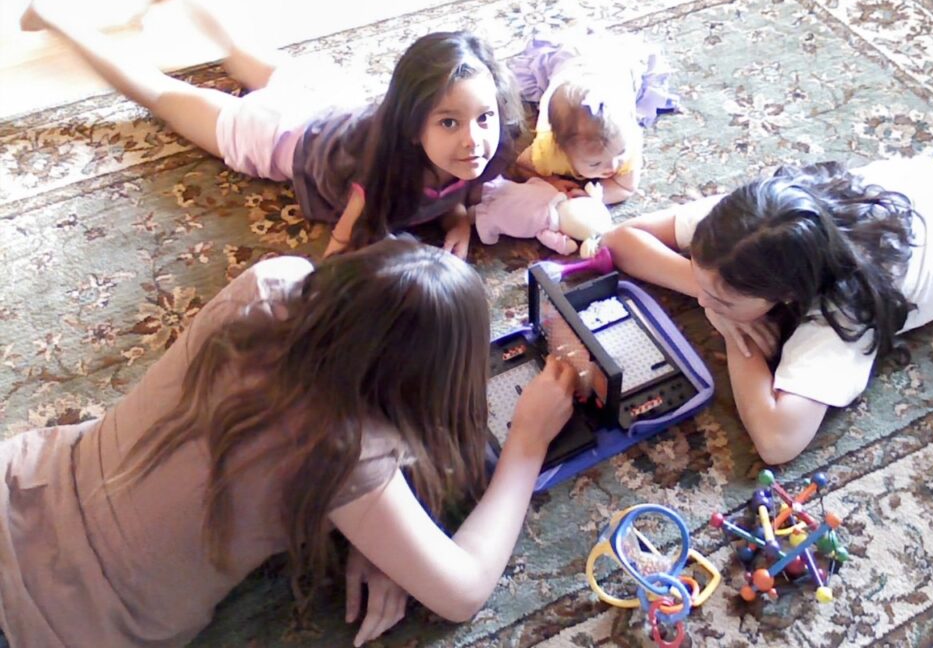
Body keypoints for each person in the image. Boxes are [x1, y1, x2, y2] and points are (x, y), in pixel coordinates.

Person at [0, 238, 577, 647]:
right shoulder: (345, 452)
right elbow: (463, 592)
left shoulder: (270, 282)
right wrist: (526, 442)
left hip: (20, 484)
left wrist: (377, 530)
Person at [602, 80, 933, 464]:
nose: (705, 298)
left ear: (786, 294)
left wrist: (736, 337)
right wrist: (717, 299)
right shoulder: (763, 217)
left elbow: (777, 440)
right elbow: (622, 238)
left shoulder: (843, 309)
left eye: (725, 298)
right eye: (701, 277)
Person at [20, 0, 523, 260]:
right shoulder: (379, 178)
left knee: (242, 52)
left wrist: (455, 214)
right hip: (279, 131)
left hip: (331, 97)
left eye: (484, 117)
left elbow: (453, 182)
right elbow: (340, 251)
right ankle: (55, 15)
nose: (475, 141)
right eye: (450, 124)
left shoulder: (471, 152)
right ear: (413, 127)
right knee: (158, 92)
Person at [509, 29, 677, 205]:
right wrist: (552, 184)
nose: (613, 166)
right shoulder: (548, 152)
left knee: (622, 63)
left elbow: (625, 188)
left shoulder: (628, 143)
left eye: (620, 153)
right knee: (563, 64)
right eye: (595, 164)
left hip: (613, 69)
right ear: (562, 151)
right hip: (570, 67)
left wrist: (592, 198)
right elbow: (522, 166)